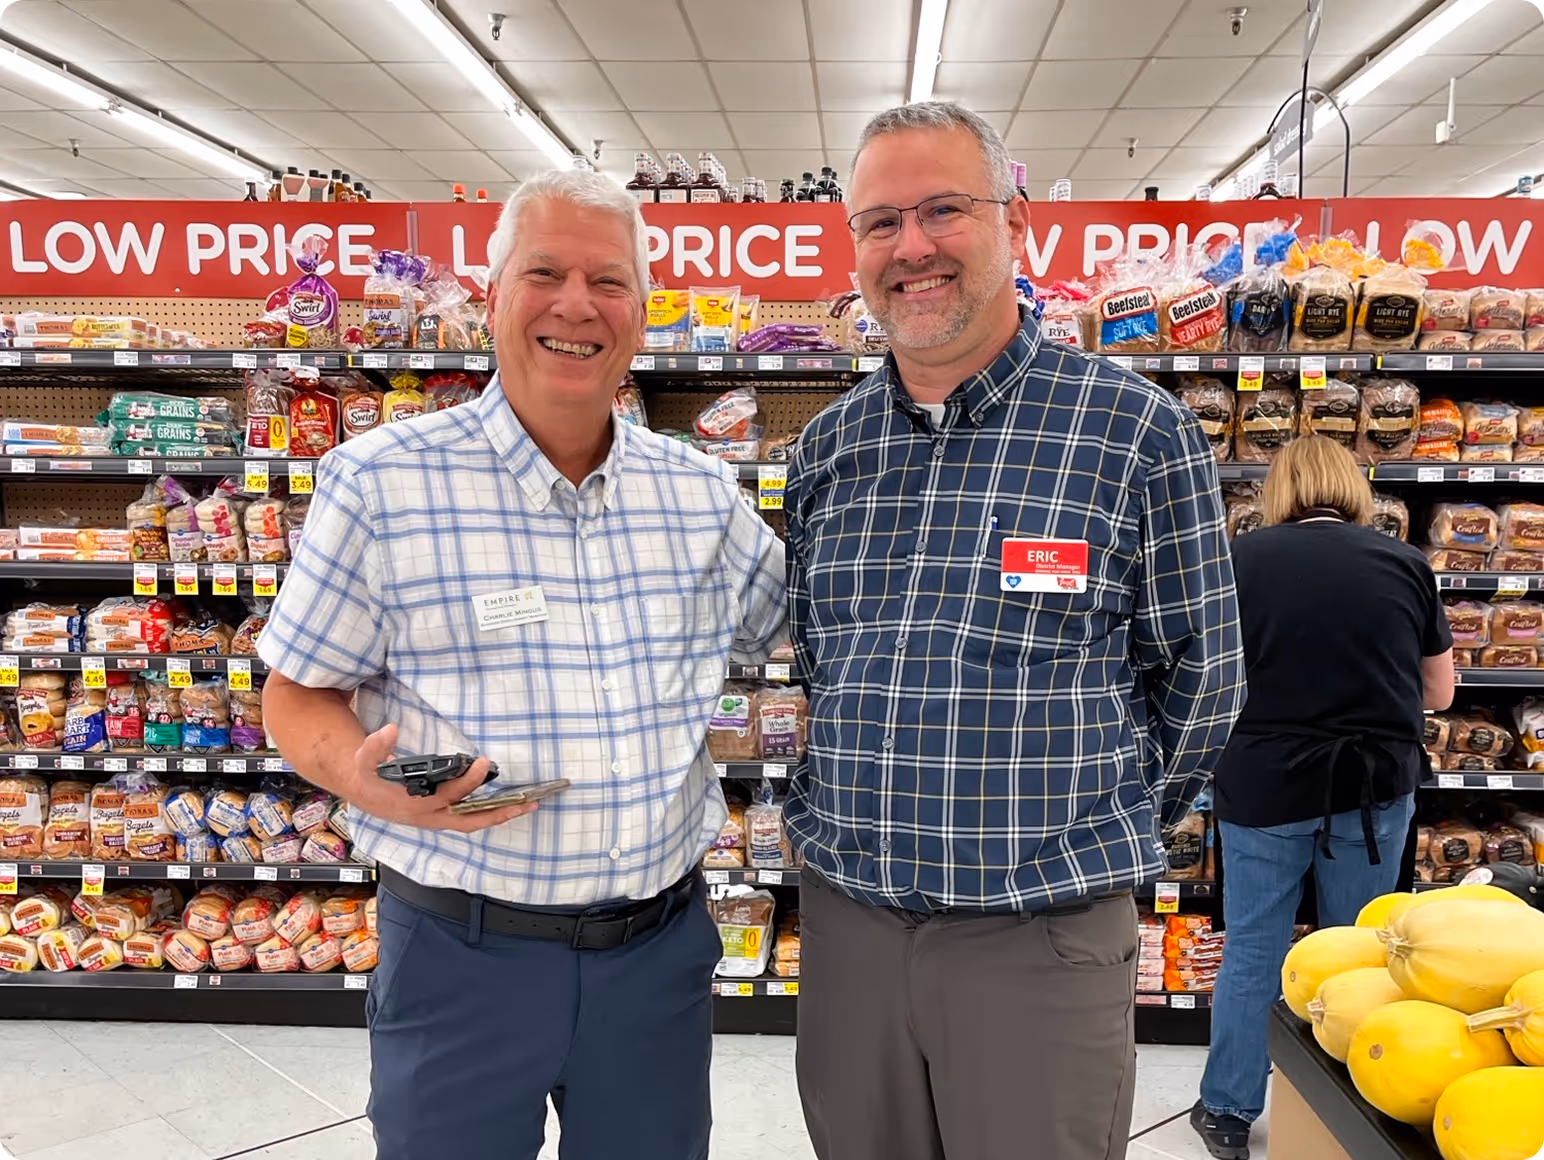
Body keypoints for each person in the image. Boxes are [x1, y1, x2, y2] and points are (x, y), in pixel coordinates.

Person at [258, 168, 786, 1160]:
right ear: (495, 295)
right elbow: (293, 690)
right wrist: (357, 776)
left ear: (640, 311)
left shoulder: (702, 497)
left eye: (609, 280)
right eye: (544, 271)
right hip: (459, 953)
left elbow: (791, 625)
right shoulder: (381, 481)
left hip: (656, 955)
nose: (576, 305)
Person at [783, 100, 1248, 1160]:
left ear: (1014, 221)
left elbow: (1203, 674)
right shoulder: (823, 450)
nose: (911, 247)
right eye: (878, 221)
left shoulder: (1133, 428)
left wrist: (1083, 828)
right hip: (850, 930)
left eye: (944, 208)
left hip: (1038, 934)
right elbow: (820, 661)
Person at [1191, 435, 1454, 1160]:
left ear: (1280, 492)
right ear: (1354, 491)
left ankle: (1226, 1110)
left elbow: (1205, 681)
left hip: (1265, 781)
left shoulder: (1238, 561)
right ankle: (1349, 1107)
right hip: (1371, 788)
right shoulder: (1407, 564)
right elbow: (1440, 690)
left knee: (1254, 949)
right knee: (1361, 954)